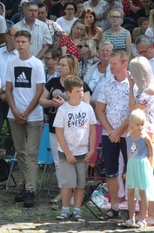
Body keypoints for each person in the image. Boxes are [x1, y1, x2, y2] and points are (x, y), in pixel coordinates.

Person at [5, 30, 45, 208]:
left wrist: (27, 112)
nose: (20, 44)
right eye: (18, 41)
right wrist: (14, 110)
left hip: (33, 115)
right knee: (20, 152)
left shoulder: (36, 64)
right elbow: (8, 90)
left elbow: (39, 92)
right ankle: (25, 184)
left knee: (31, 153)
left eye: (23, 41)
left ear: (30, 43)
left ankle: (31, 189)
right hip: (14, 114)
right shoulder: (11, 62)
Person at [53, 75, 96, 223]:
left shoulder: (88, 108)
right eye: (77, 91)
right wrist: (67, 152)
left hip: (82, 152)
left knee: (80, 183)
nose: (81, 94)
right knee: (67, 183)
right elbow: (59, 132)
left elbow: (92, 130)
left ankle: (77, 210)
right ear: (69, 93)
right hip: (66, 153)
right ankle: (65, 209)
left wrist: (92, 149)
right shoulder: (63, 110)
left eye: (82, 90)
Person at [94, 51, 131, 220]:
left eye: (115, 63)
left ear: (124, 64)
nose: (111, 66)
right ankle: (114, 206)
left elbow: (135, 112)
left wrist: (119, 131)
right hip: (109, 134)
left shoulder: (133, 84)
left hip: (129, 133)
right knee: (111, 171)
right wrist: (110, 131)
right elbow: (99, 109)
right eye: (111, 63)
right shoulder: (107, 85)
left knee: (132, 171)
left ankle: (133, 207)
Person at [122, 109, 154, 228]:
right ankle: (131, 217)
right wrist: (127, 168)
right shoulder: (128, 136)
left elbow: (152, 152)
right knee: (131, 191)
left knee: (143, 192)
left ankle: (143, 218)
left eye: (142, 124)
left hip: (142, 165)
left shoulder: (145, 137)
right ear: (131, 124)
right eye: (137, 124)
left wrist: (150, 167)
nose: (140, 127)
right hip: (132, 164)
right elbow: (128, 152)